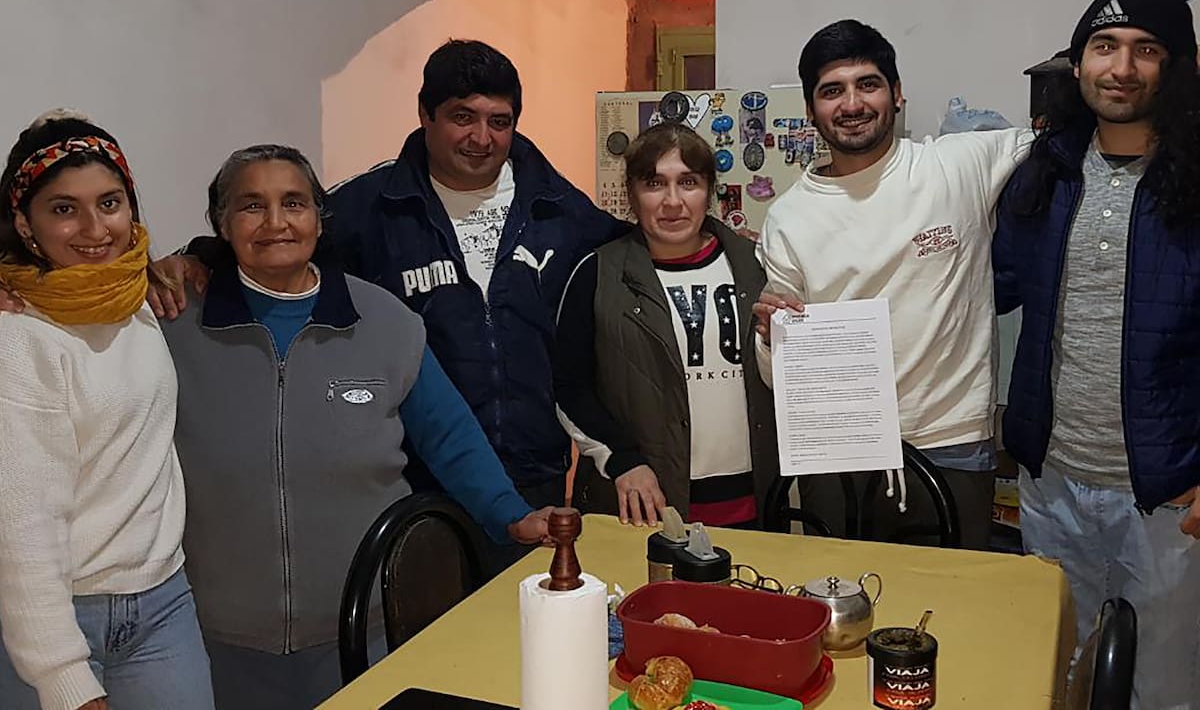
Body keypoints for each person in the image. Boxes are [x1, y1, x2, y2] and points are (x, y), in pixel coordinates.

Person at [151, 41, 627, 567]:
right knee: (426, 637)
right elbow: (283, 242)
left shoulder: (559, 208)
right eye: (462, 117)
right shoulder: (366, 208)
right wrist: (201, 257)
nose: (481, 137)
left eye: (499, 120)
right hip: (414, 481)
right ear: (425, 115)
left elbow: (639, 248)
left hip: (533, 472)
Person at [159, 144, 554, 709]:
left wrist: (510, 516)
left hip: (363, 631)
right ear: (221, 225)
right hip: (214, 638)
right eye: (251, 206)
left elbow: (449, 435)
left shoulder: (385, 321)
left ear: (319, 218)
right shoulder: (175, 326)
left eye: (293, 203)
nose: (276, 222)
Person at [993, 0, 1200, 708]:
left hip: (1170, 493)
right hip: (1050, 482)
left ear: (1173, 67)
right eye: (1104, 45)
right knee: (1060, 674)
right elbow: (987, 292)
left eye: (1146, 49)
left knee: (1163, 688)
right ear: (1077, 62)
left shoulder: (1195, 182)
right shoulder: (1042, 176)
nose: (1121, 67)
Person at [753, 20, 1032, 550]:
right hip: (836, 451)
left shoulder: (958, 165)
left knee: (948, 618)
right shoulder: (789, 217)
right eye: (832, 91)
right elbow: (777, 376)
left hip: (949, 442)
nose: (852, 103)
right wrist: (771, 339)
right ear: (811, 110)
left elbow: (1061, 136)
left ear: (897, 94)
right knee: (842, 616)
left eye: (868, 84)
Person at [0, 111, 214, 710]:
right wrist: (62, 676)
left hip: (164, 600)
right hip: (59, 618)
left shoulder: (135, 297)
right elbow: (21, 525)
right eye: (64, 209)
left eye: (110, 202)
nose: (96, 228)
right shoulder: (19, 336)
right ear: (25, 222)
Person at [555, 123, 778, 528]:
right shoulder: (597, 274)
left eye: (688, 182)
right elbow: (569, 387)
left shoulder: (757, 266)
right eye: (655, 183)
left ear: (709, 190)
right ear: (632, 194)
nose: (672, 202)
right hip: (644, 509)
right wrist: (622, 460)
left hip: (755, 504)